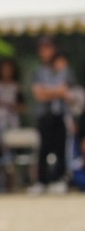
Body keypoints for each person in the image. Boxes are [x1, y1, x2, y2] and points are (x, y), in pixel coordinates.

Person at [31, 36, 72, 194]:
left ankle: (59, 179)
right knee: (43, 148)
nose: (45, 52)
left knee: (60, 148)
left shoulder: (63, 68)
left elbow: (64, 91)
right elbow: (39, 94)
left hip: (60, 114)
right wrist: (56, 91)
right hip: (44, 115)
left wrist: (47, 91)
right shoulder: (39, 71)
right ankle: (42, 181)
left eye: (48, 48)